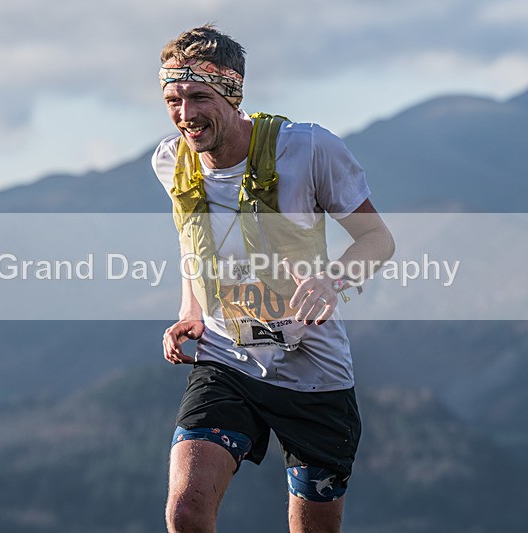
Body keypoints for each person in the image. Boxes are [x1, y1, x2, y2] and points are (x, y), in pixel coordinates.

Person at [153, 25, 395, 533]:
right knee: (185, 512)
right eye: (173, 98)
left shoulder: (308, 149)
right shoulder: (172, 162)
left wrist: (333, 281)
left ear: (234, 91)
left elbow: (377, 238)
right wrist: (190, 312)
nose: (185, 114)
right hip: (225, 358)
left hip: (313, 372)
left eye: (199, 96)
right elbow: (190, 242)